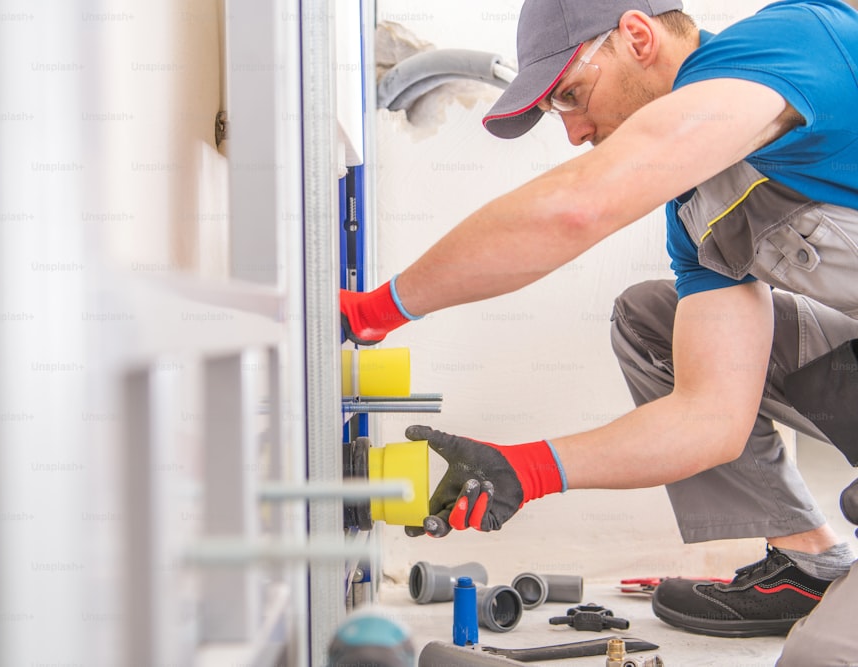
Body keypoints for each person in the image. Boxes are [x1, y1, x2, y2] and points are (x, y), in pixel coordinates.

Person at [340, 0, 858, 663]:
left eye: (573, 97)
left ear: (637, 36)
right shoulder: (699, 210)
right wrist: (525, 469)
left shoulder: (791, 44)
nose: (576, 132)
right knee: (653, 320)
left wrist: (375, 309)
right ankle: (807, 567)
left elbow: (577, 206)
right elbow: (709, 418)